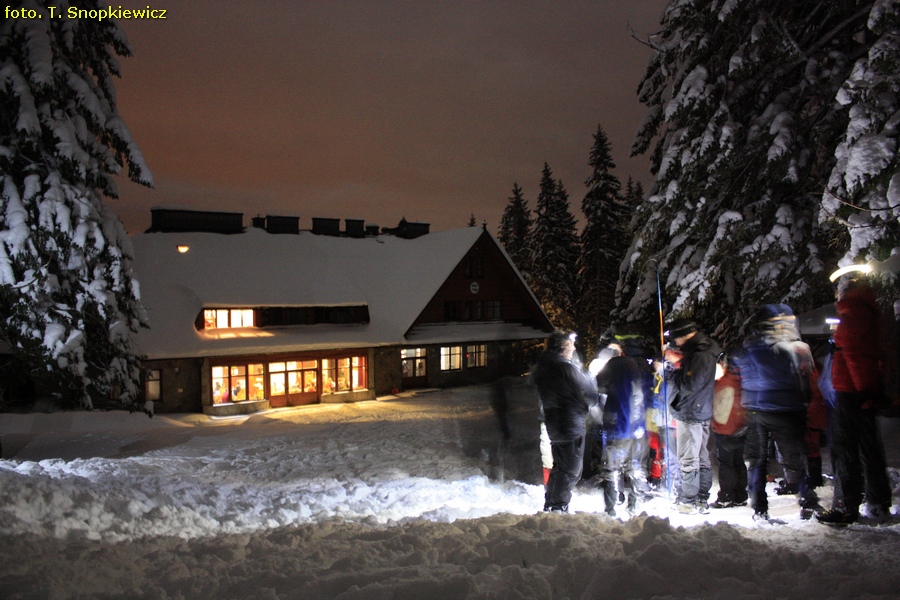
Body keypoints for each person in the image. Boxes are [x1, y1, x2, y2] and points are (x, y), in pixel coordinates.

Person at [730, 304, 821, 521]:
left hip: (757, 409)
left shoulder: (749, 349)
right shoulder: (798, 349)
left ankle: (759, 507)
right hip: (789, 408)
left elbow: (739, 369)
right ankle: (807, 499)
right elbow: (807, 377)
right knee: (795, 456)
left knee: (757, 460)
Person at [817, 277, 893, 525]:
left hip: (851, 392)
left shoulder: (851, 312)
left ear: (844, 292)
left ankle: (845, 506)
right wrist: (870, 390)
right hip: (864, 391)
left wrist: (861, 391)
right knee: (869, 448)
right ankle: (878, 502)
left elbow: (853, 355)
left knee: (845, 449)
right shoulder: (870, 311)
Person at [532, 330, 598, 513]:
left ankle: (551, 505)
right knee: (570, 470)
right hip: (570, 423)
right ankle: (558, 507)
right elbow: (590, 395)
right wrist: (590, 378)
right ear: (563, 347)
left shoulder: (545, 367)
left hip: (554, 423)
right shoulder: (566, 368)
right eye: (571, 345)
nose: (574, 348)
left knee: (560, 467)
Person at [590, 332, 654, 516]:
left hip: (618, 424)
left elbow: (599, 385)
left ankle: (613, 508)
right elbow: (649, 394)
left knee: (611, 468)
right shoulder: (643, 366)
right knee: (636, 467)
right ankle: (635, 508)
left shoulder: (613, 365)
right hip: (639, 427)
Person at [662, 317, 720, 514]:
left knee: (688, 458)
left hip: (690, 412)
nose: (676, 343)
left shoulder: (699, 356)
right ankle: (700, 498)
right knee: (701, 456)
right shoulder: (703, 350)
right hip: (701, 409)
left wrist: (670, 370)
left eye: (677, 339)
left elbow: (689, 385)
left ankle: (688, 501)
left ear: (685, 336)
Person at [709, 357, 748, 509]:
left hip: (725, 429)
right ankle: (740, 495)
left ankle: (726, 495)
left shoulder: (724, 383)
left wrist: (713, 421)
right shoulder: (736, 380)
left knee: (726, 464)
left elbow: (721, 413)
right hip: (739, 427)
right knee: (738, 462)